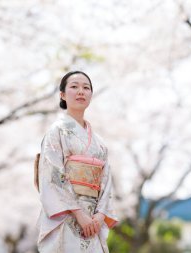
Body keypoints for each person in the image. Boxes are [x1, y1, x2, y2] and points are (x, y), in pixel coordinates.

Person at [36, 71, 118, 252]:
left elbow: (106, 182)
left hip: (94, 219)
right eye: (74, 87)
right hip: (67, 216)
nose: (81, 91)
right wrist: (80, 215)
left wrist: (100, 216)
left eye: (86, 87)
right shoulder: (55, 132)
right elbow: (52, 176)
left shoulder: (100, 144)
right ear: (63, 95)